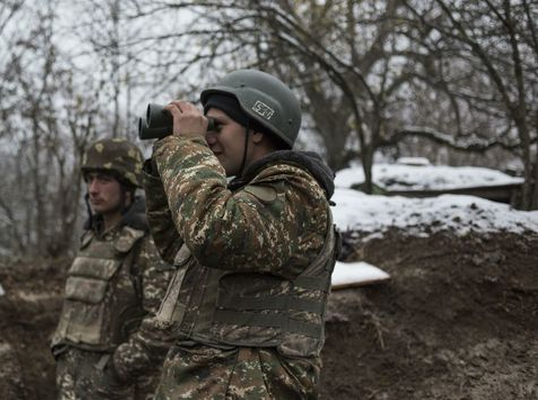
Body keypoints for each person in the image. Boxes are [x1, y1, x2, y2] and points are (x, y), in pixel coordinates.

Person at [143, 69, 340, 399]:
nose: (208, 137)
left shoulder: (294, 194)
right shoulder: (240, 198)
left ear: (258, 129)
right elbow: (178, 244)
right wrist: (168, 155)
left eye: (217, 126)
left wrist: (189, 148)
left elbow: (213, 233)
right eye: (205, 128)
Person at [51, 138, 174, 400]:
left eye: (104, 180)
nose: (93, 189)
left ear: (127, 185)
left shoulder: (147, 243)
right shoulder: (91, 238)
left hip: (120, 389)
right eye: (90, 179)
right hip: (74, 384)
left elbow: (163, 326)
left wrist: (116, 370)